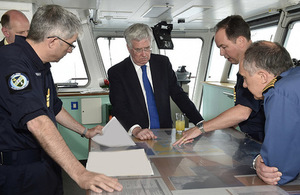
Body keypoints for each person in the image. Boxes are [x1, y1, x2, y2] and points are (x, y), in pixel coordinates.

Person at [0, 5, 122, 195]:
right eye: (70, 44)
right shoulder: (11, 61)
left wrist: (84, 131)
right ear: (53, 41)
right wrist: (81, 173)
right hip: (19, 171)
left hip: (46, 161)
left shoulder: (41, 65)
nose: (71, 50)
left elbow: (53, 107)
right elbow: (38, 123)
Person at [173, 15, 265, 146]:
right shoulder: (245, 67)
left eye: (224, 46)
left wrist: (201, 128)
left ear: (241, 41)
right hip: (250, 138)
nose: (221, 53)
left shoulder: (257, 66)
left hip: (262, 142)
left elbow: (243, 112)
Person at [108, 23, 203, 140]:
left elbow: (179, 95)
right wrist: (136, 129)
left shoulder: (163, 63)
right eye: (138, 50)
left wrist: (200, 123)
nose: (144, 54)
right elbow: (119, 107)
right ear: (129, 47)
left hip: (164, 132)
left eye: (147, 48)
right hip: (137, 135)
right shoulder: (117, 72)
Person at [240, 40, 300, 185]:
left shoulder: (280, 92)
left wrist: (257, 162)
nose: (244, 85)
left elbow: (277, 171)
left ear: (262, 76)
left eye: (245, 78)